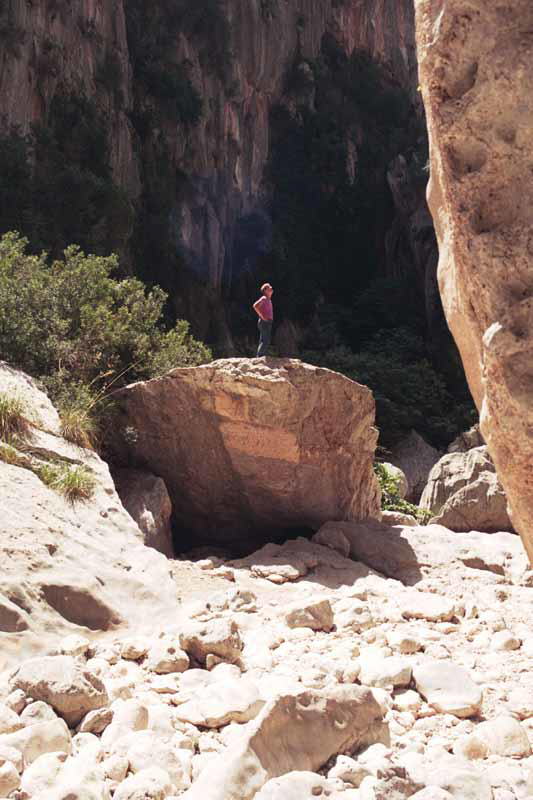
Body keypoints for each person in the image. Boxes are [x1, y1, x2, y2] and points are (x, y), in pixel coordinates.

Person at [253, 283, 274, 357]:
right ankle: (260, 356)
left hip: (267, 321)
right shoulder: (264, 298)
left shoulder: (268, 299)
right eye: (269, 288)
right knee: (265, 340)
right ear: (265, 291)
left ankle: (261, 355)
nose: (271, 288)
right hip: (264, 321)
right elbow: (255, 306)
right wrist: (262, 316)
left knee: (264, 339)